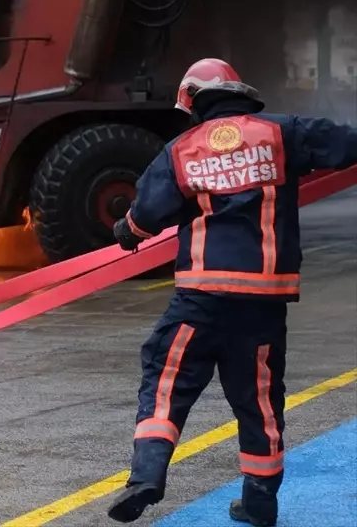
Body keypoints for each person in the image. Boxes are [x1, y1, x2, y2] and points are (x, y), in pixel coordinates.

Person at [106, 58, 357, 526]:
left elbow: (148, 212)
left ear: (195, 100)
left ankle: (146, 476)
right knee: (259, 400)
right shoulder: (283, 133)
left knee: (167, 380)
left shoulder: (181, 149)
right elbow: (345, 143)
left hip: (200, 296)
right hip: (262, 304)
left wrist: (127, 229)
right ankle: (259, 504)